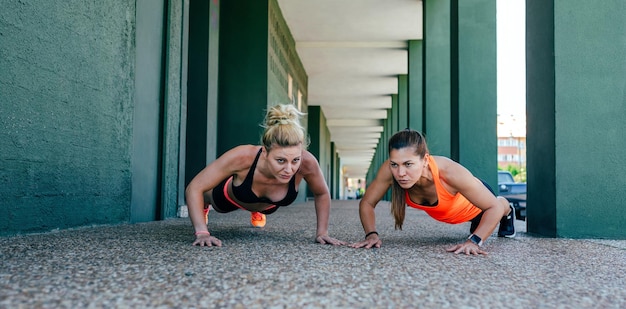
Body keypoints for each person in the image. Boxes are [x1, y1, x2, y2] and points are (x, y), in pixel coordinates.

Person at [185, 104, 346, 247]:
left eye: (295, 160)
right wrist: (202, 233)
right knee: (211, 198)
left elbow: (322, 193)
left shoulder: (307, 163)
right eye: (281, 160)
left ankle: (257, 211)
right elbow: (194, 188)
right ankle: (204, 206)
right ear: (265, 151)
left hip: (267, 206)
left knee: (265, 205)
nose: (289, 169)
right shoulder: (243, 156)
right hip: (231, 197)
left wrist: (322, 232)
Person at [350, 129, 515, 255]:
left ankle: (508, 208)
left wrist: (474, 241)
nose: (400, 173)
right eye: (394, 164)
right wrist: (371, 234)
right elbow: (367, 202)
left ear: (426, 160)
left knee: (498, 204)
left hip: (477, 206)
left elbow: (492, 207)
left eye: (408, 164)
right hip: (455, 215)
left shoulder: (449, 172)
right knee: (478, 225)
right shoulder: (389, 171)